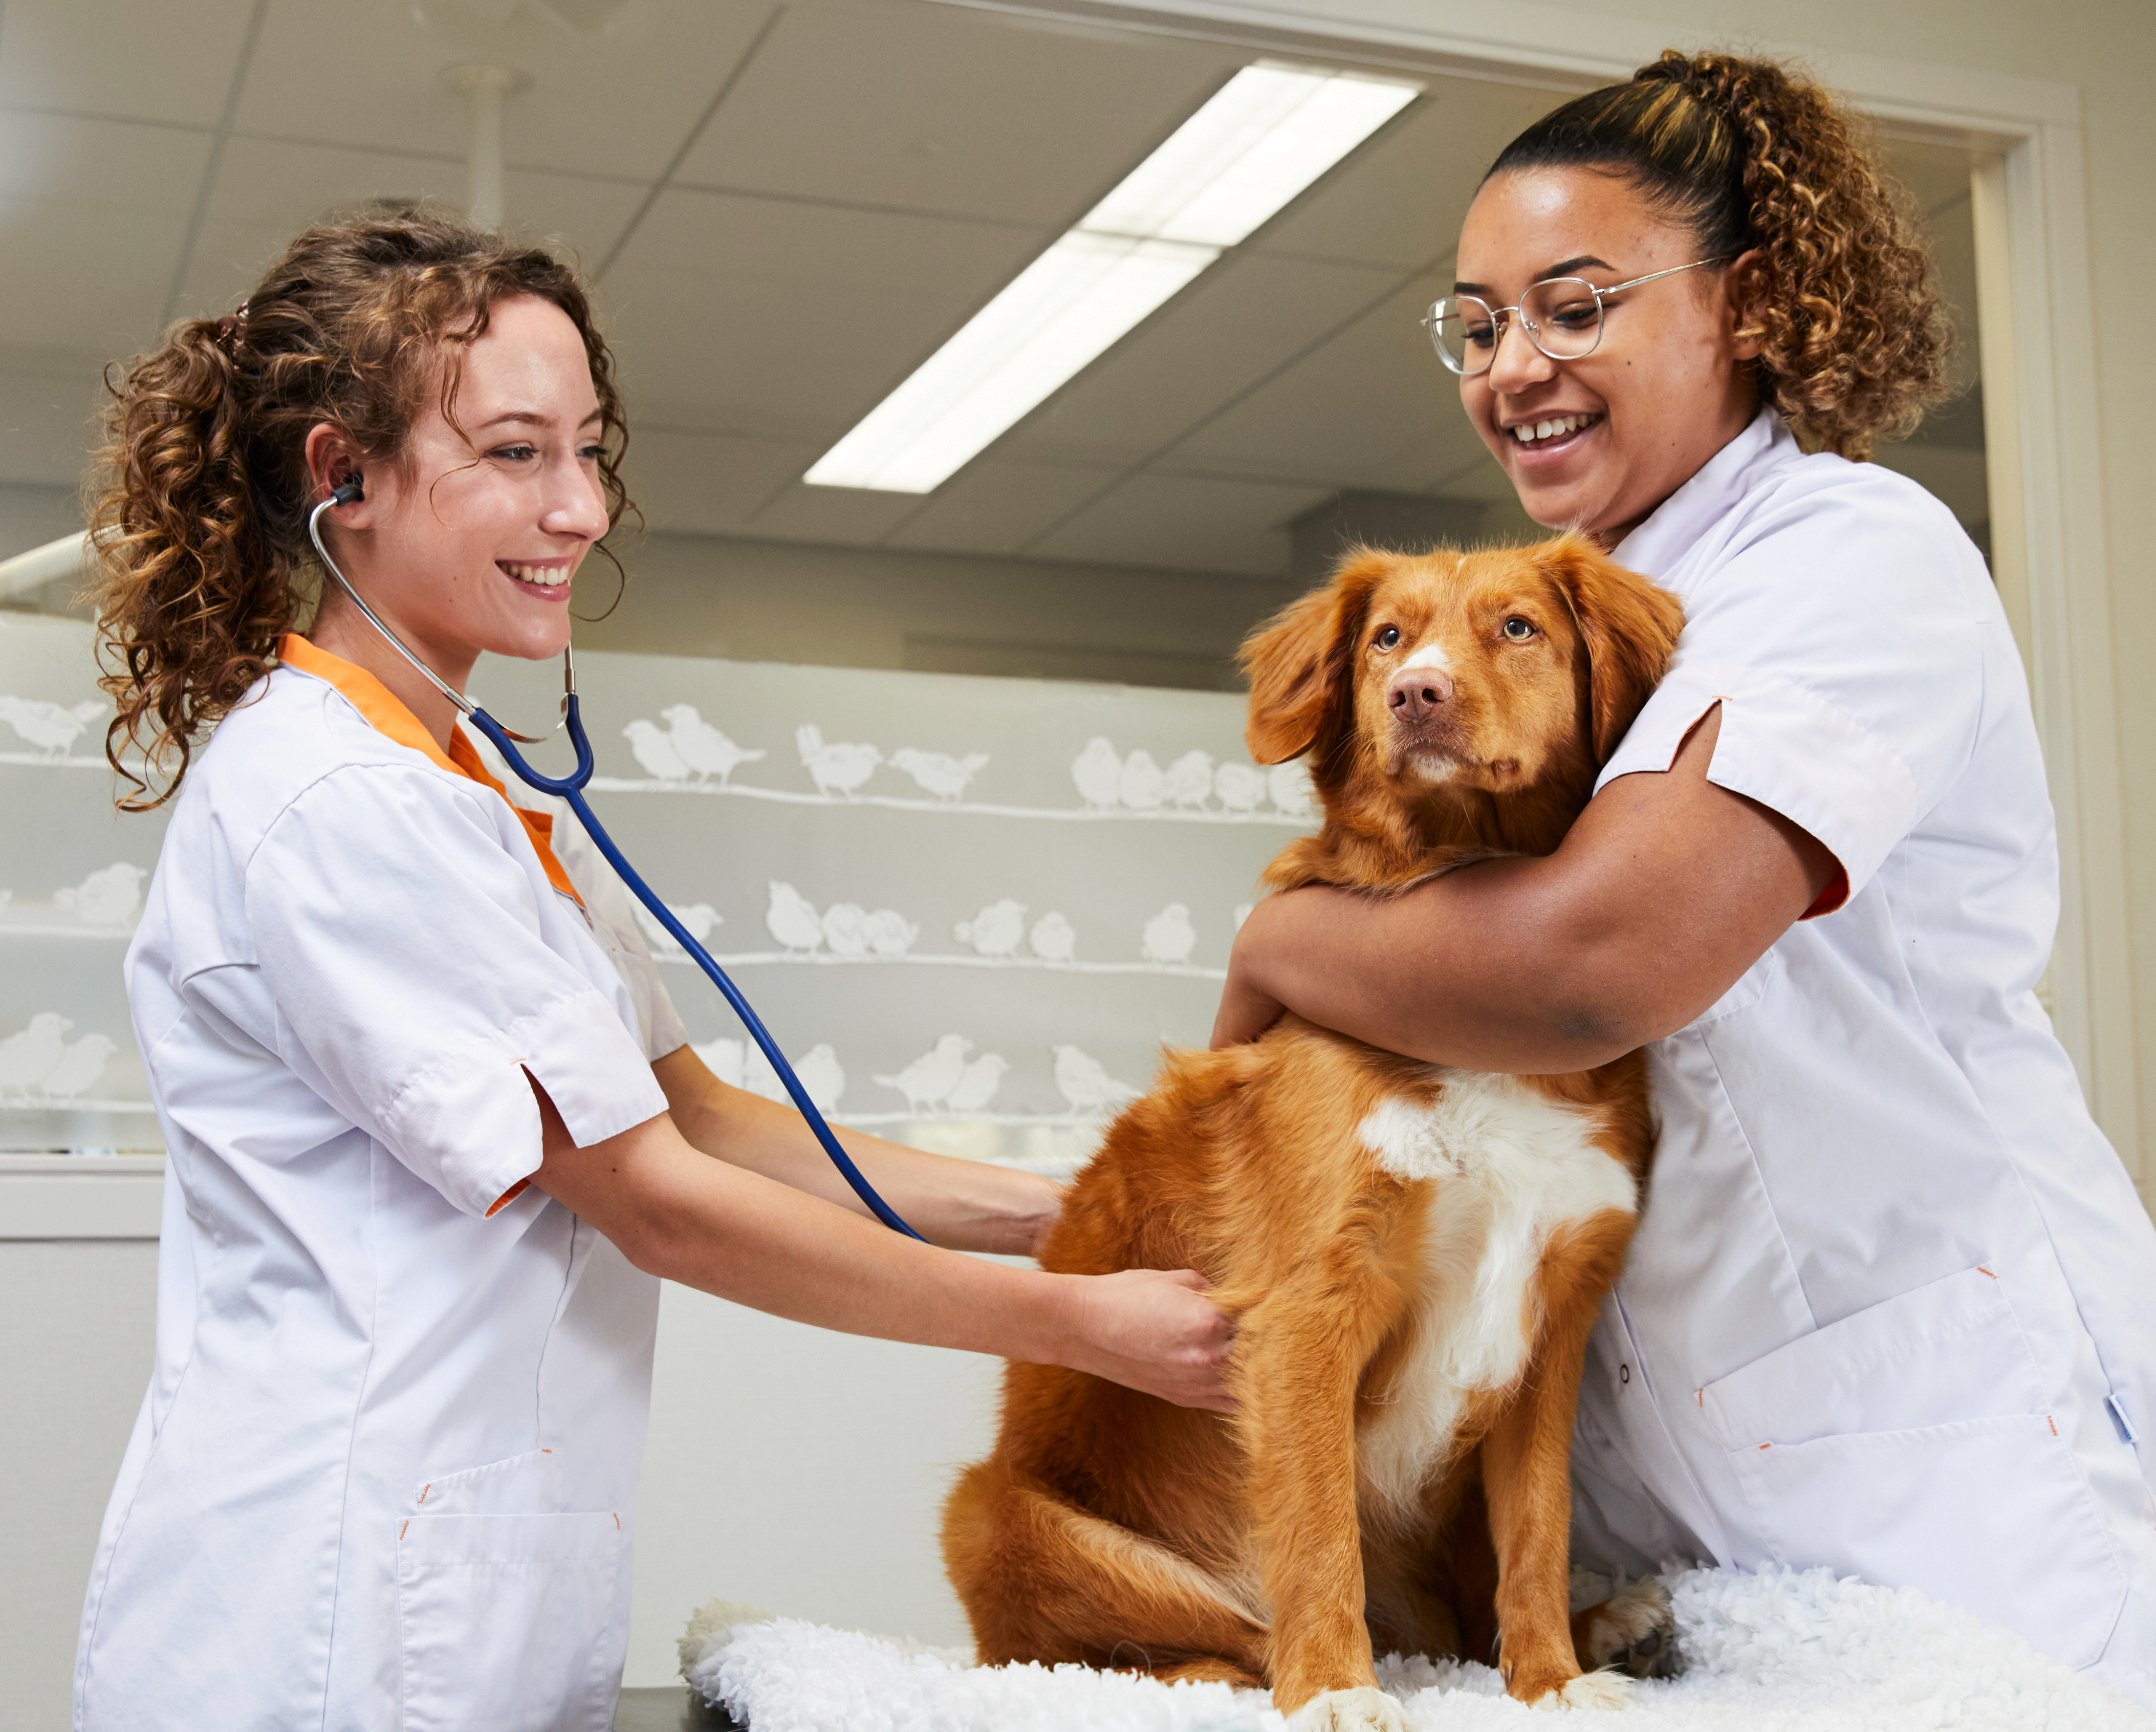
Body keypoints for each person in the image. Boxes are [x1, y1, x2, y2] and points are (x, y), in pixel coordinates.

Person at [72, 212, 1234, 1731]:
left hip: (456, 1573)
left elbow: (698, 1121)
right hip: (326, 1609)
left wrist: (1076, 1216)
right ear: (338, 477)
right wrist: (1083, 1324)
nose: (578, 509)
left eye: (588, 451)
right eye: (513, 454)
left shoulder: (472, 783)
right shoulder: (334, 802)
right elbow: (655, 1202)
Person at [1216, 50, 2156, 1707]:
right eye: (1479, 325)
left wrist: (1281, 935)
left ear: (1751, 302)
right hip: (1647, 1470)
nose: (1515, 367)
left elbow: (1595, 964)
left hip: (1917, 1437)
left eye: (1574, 308)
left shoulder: (1845, 559)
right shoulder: (1559, 619)